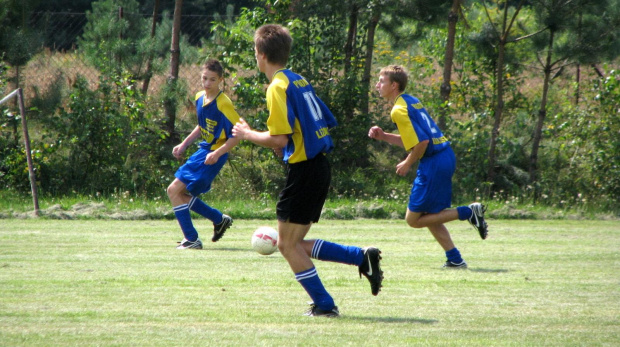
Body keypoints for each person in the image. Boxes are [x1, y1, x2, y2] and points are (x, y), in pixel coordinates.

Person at [232, 24, 383, 317]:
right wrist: (287, 146)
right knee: (295, 243)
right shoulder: (298, 79)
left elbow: (279, 137)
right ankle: (360, 257)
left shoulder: (277, 86)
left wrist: (248, 134)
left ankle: (325, 305)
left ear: (260, 54)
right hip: (316, 167)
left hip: (304, 172)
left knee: (287, 246)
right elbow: (317, 123)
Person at [368, 65, 488, 268]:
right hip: (444, 156)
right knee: (429, 215)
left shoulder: (398, 110)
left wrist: (407, 162)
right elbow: (416, 140)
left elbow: (422, 143)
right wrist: (385, 136)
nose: (377, 85)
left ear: (394, 85)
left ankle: (469, 212)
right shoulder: (410, 100)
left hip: (434, 162)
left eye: (381, 81)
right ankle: (455, 259)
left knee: (413, 219)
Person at [167, 59, 240, 250]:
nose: (207, 83)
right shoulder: (200, 97)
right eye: (204, 78)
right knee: (179, 193)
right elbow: (202, 125)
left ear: (221, 80)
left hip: (213, 154)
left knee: (174, 190)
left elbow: (238, 135)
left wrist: (218, 153)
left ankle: (192, 239)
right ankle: (218, 219)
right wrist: (184, 144)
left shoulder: (224, 103)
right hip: (203, 151)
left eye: (212, 80)